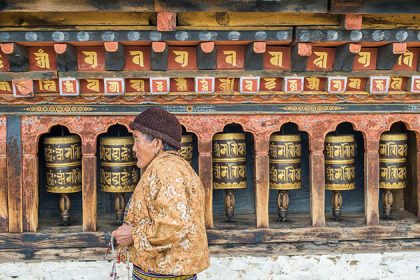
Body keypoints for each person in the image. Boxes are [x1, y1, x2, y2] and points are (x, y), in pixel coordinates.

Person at [112, 107, 210, 280]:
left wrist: (132, 234)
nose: (133, 148)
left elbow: (172, 224)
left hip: (162, 274)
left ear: (156, 143)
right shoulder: (175, 167)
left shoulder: (166, 170)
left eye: (137, 140)